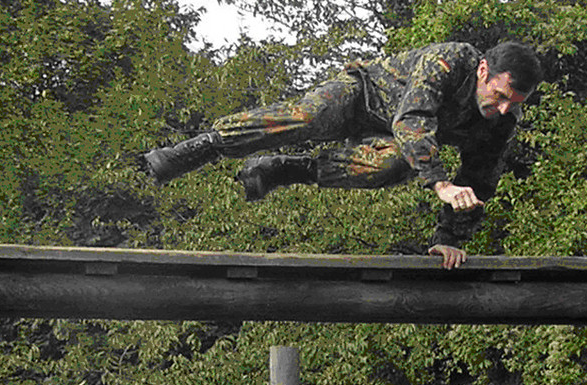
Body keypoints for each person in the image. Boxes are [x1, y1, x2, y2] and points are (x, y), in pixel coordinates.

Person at [140, 41, 543, 270]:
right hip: (361, 96)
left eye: (515, 102)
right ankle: (199, 147)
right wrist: (439, 183)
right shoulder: (451, 61)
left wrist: (448, 239)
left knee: (392, 164)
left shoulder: (501, 121)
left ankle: (281, 170)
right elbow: (412, 119)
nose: (504, 108)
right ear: (483, 70)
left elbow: (480, 179)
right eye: (500, 95)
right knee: (308, 116)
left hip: (393, 132)